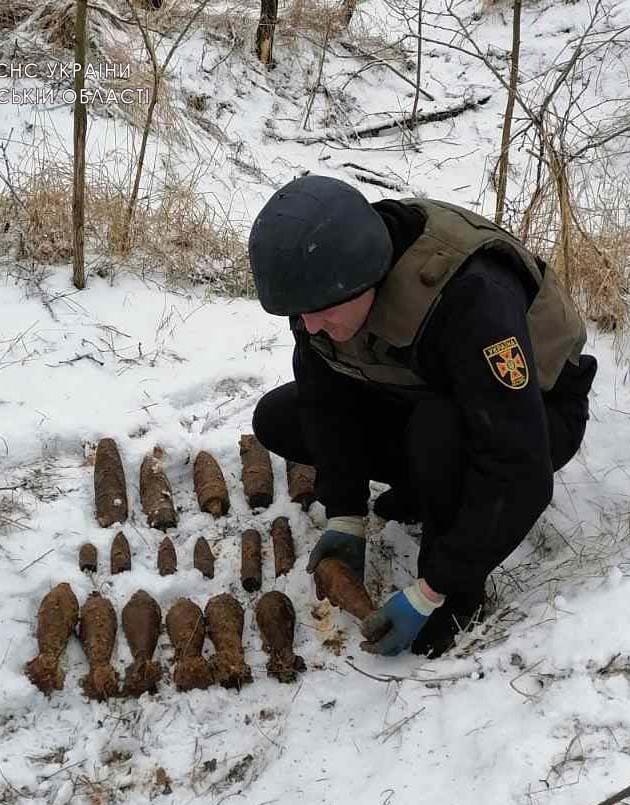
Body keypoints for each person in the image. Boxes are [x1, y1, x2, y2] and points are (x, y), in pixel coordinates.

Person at [248, 175, 597, 658]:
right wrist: (345, 513)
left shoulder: (472, 297)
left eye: (317, 313)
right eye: (297, 315)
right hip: (431, 389)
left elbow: (519, 469)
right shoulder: (323, 282)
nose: (307, 327)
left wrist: (434, 588)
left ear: (365, 275)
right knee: (281, 417)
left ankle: (460, 592)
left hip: (536, 413)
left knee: (439, 431)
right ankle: (425, 488)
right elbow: (324, 398)